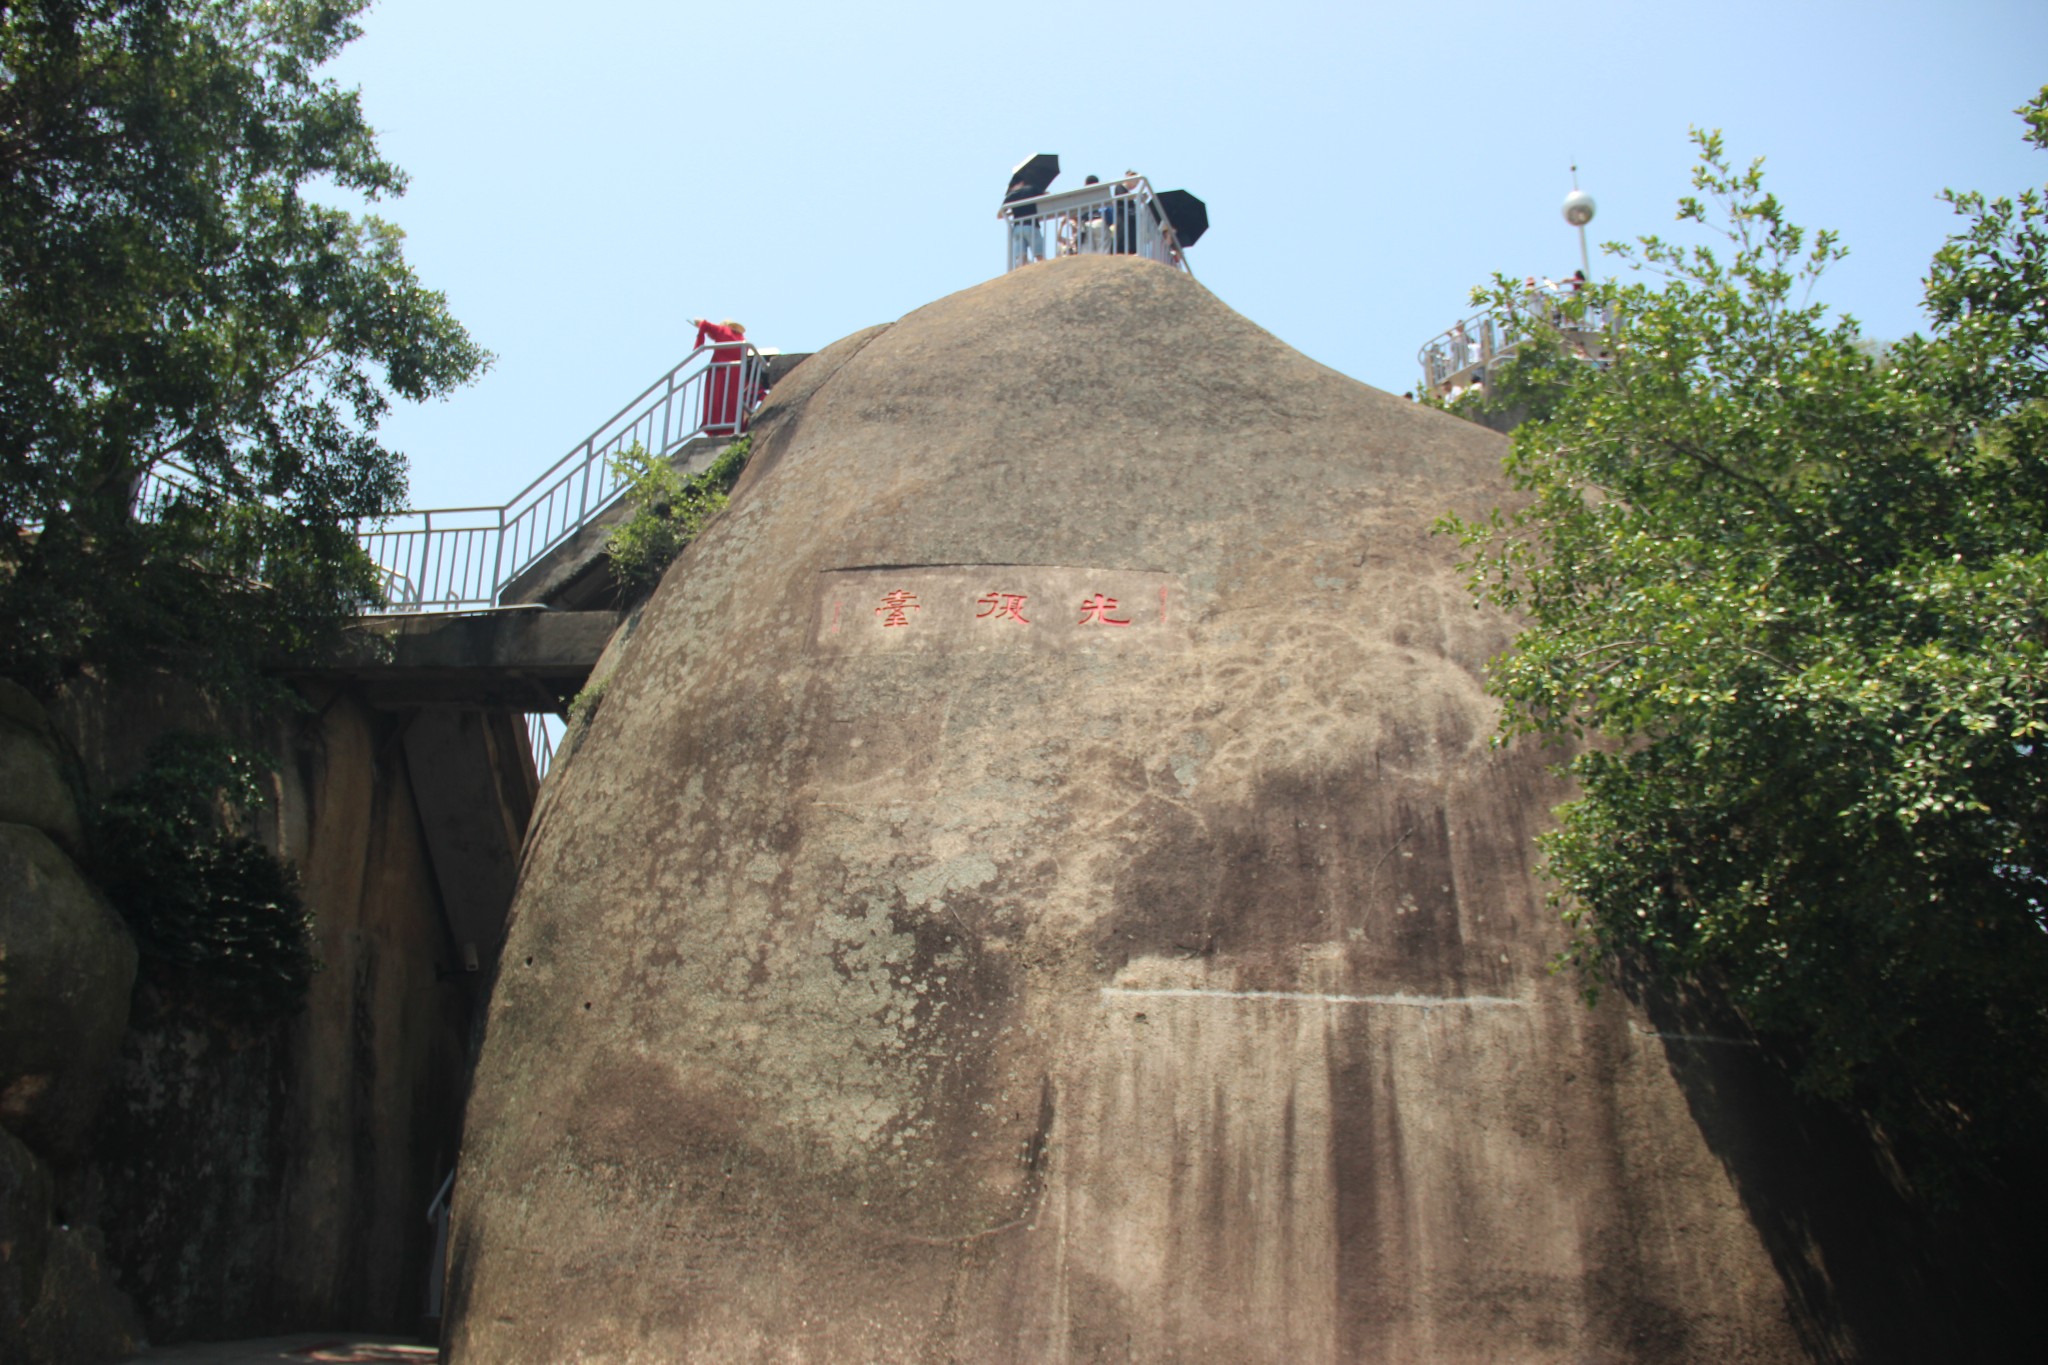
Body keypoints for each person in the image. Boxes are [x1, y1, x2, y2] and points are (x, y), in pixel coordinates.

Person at [693, 318, 750, 436]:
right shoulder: (742, 340)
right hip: (737, 374)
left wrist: (698, 324)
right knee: (732, 400)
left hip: (721, 373)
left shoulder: (723, 331)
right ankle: (733, 426)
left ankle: (717, 427)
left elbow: (702, 323)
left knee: (717, 400)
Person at [1002, 177, 1046, 269]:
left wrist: (1011, 212)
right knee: (1039, 256)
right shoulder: (1031, 189)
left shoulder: (1011, 195)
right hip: (1031, 225)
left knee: (1021, 259)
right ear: (1022, 182)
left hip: (1017, 228)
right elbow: (1046, 196)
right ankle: (1045, 271)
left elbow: (999, 214)